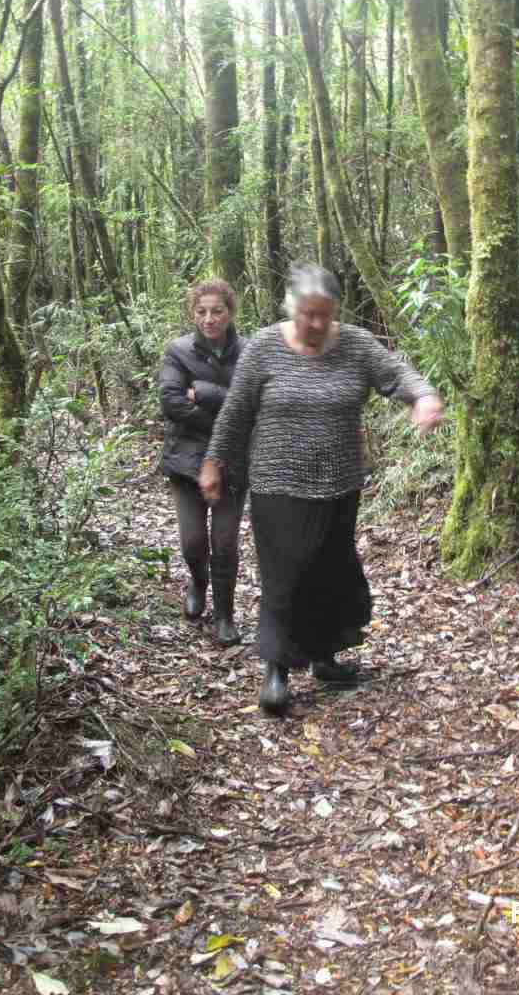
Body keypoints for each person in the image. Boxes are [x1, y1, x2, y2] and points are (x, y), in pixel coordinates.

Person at [198, 263, 445, 714]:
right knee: (285, 574)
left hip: (339, 484)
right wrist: (215, 461)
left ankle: (325, 657)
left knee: (330, 570)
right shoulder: (265, 350)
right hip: (278, 483)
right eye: (307, 314)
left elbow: (398, 374)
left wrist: (423, 397)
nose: (315, 324)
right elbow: (235, 413)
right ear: (291, 308)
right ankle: (275, 669)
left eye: (324, 316)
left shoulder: (355, 344)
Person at [159, 278, 246, 645]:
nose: (209, 319)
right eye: (202, 312)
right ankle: (197, 582)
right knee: (193, 542)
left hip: (232, 463)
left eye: (217, 311)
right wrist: (224, 419)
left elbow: (253, 404)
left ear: (229, 313)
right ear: (193, 314)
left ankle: (225, 615)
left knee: (225, 543)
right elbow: (171, 402)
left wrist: (208, 394)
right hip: (186, 460)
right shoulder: (178, 352)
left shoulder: (249, 352)